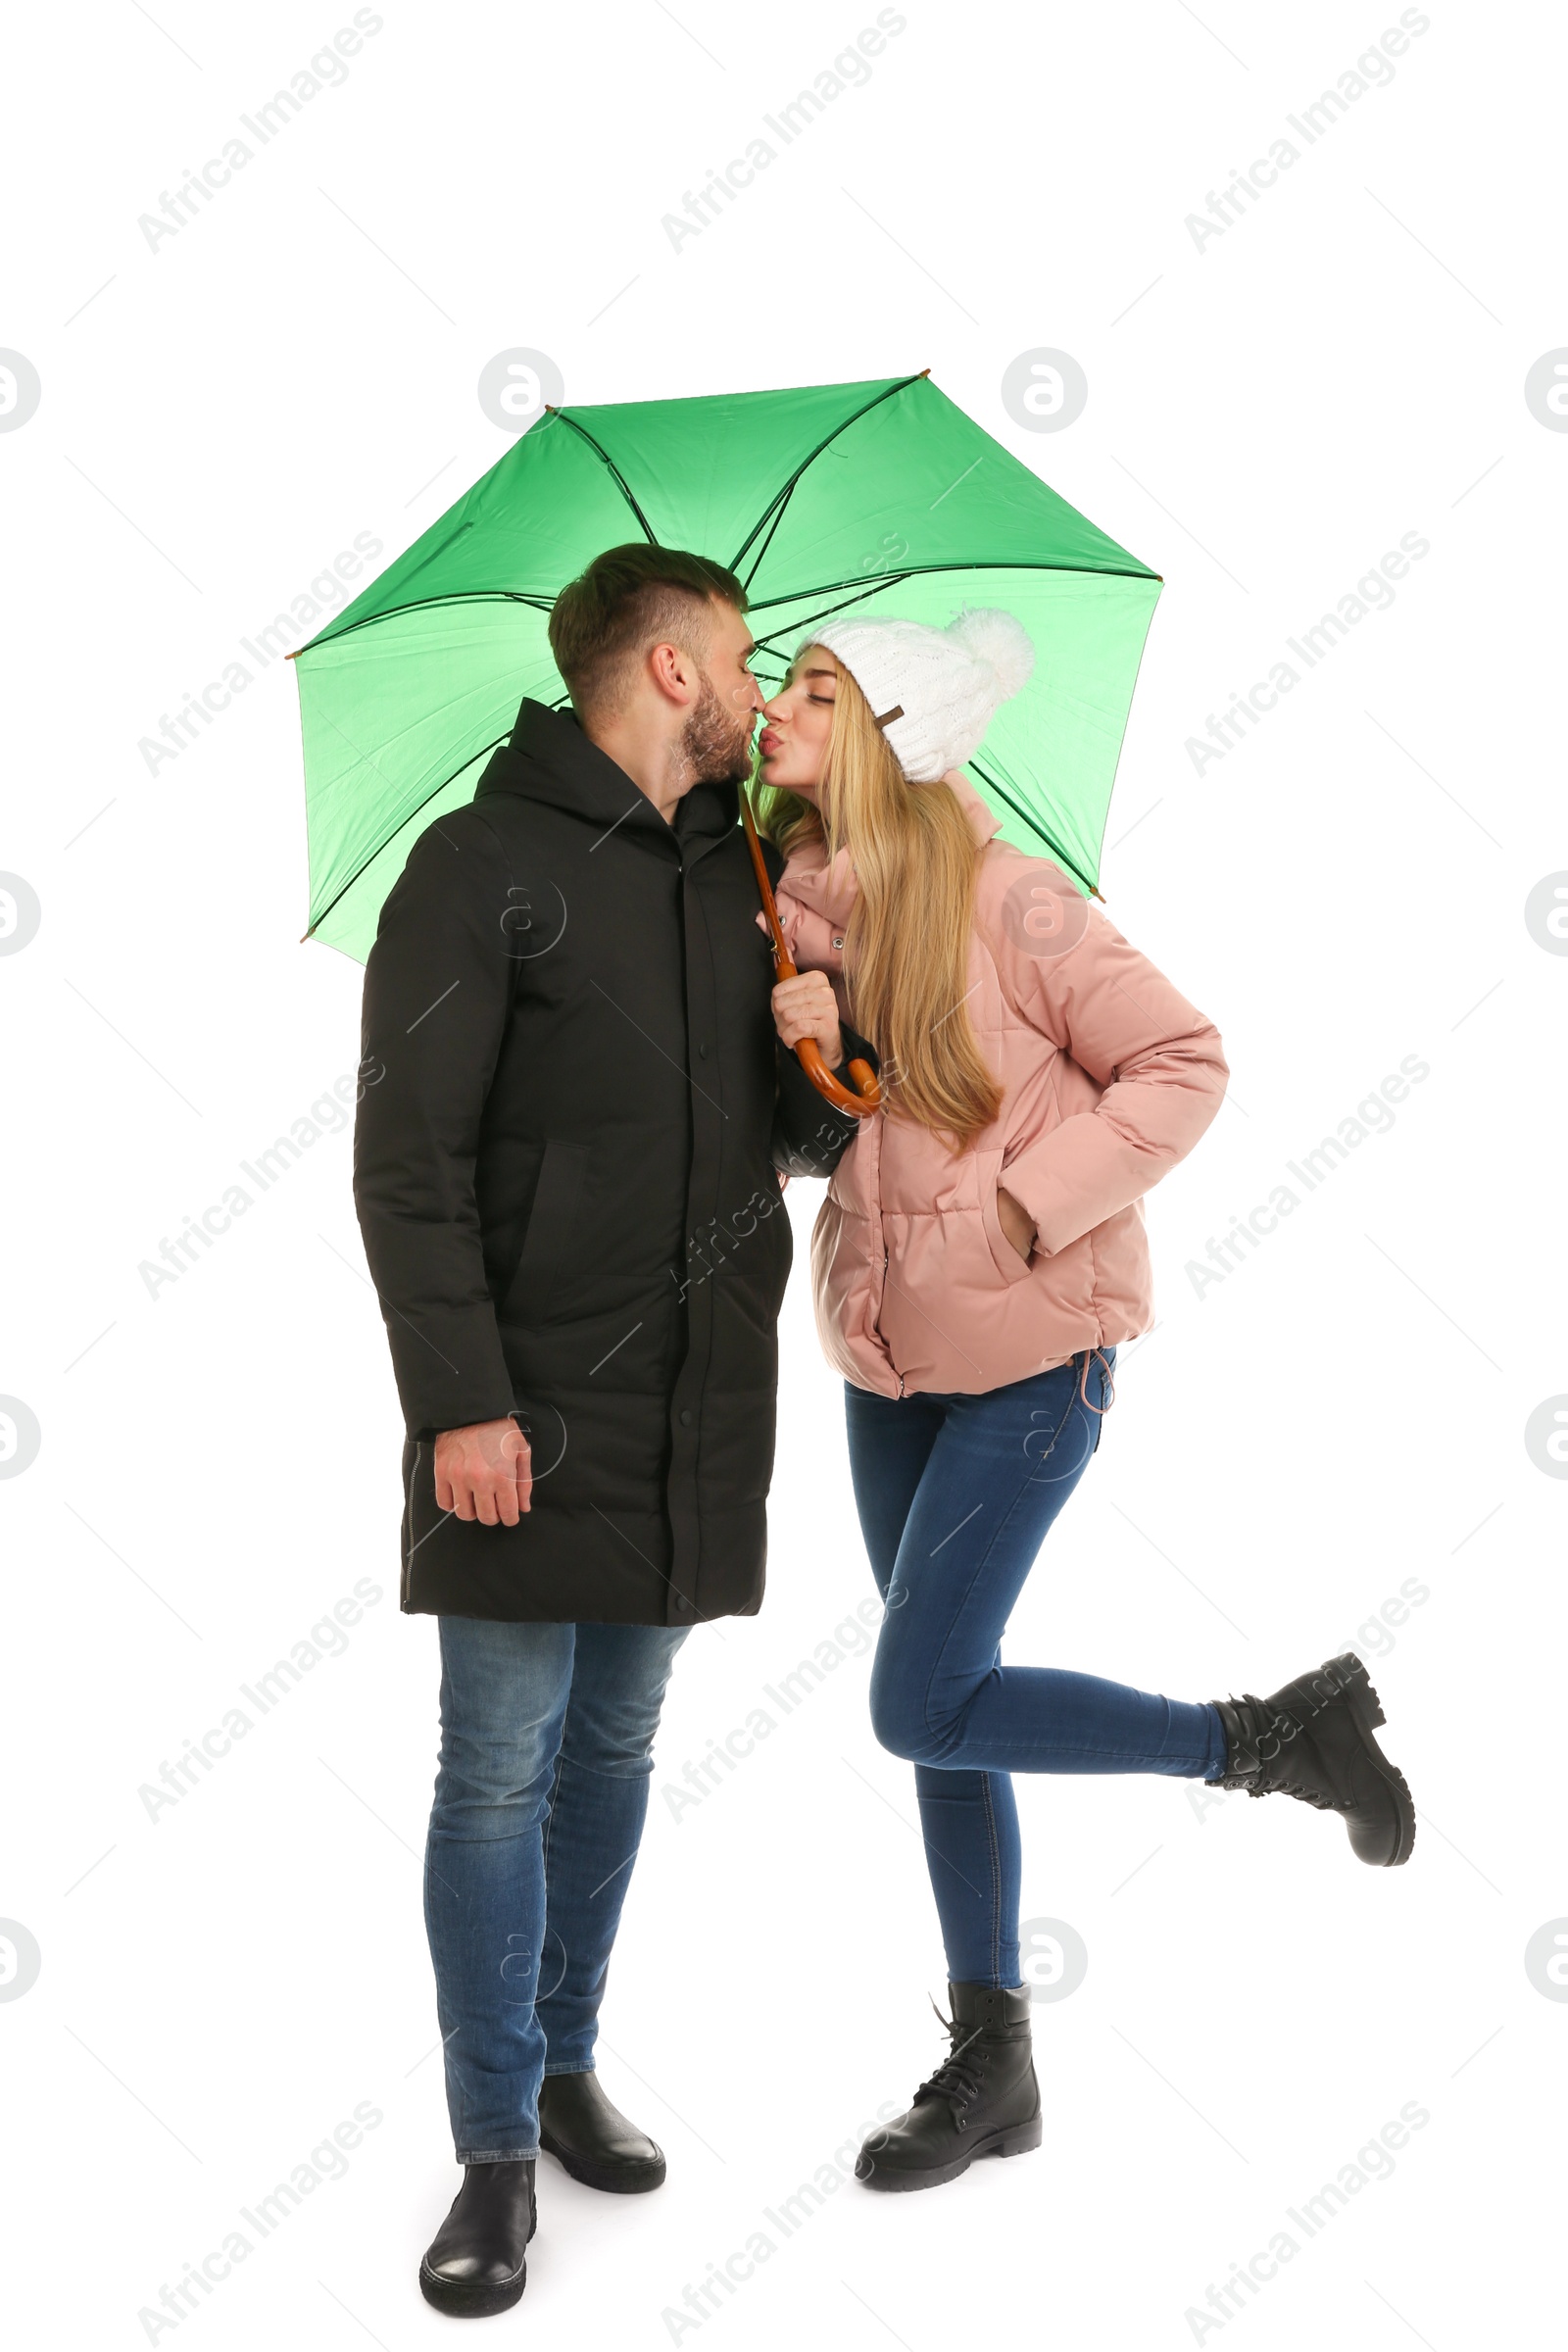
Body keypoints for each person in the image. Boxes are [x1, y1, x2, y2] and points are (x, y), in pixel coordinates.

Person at [755, 606, 1417, 2195]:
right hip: (886, 1361)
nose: (779, 706)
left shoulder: (1010, 899)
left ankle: (1263, 1738)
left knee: (917, 1701)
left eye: (816, 687)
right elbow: (819, 1143)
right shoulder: (786, 913)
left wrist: (1028, 1209)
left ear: (895, 730)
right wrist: (808, 1055)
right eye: (782, 682)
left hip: (1033, 1360)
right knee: (950, 1709)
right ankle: (997, 2072)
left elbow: (1182, 1065)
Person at [353, 544, 870, 2315]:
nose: (758, 683)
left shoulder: (739, 874)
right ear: (667, 670)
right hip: (523, 1409)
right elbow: (406, 1164)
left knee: (616, 1757)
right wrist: (463, 1407)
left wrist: (821, 1052)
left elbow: (787, 1152)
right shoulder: (477, 866)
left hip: (697, 1399)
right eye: (740, 658)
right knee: (496, 1769)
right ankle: (494, 2145)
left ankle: (566, 2061)